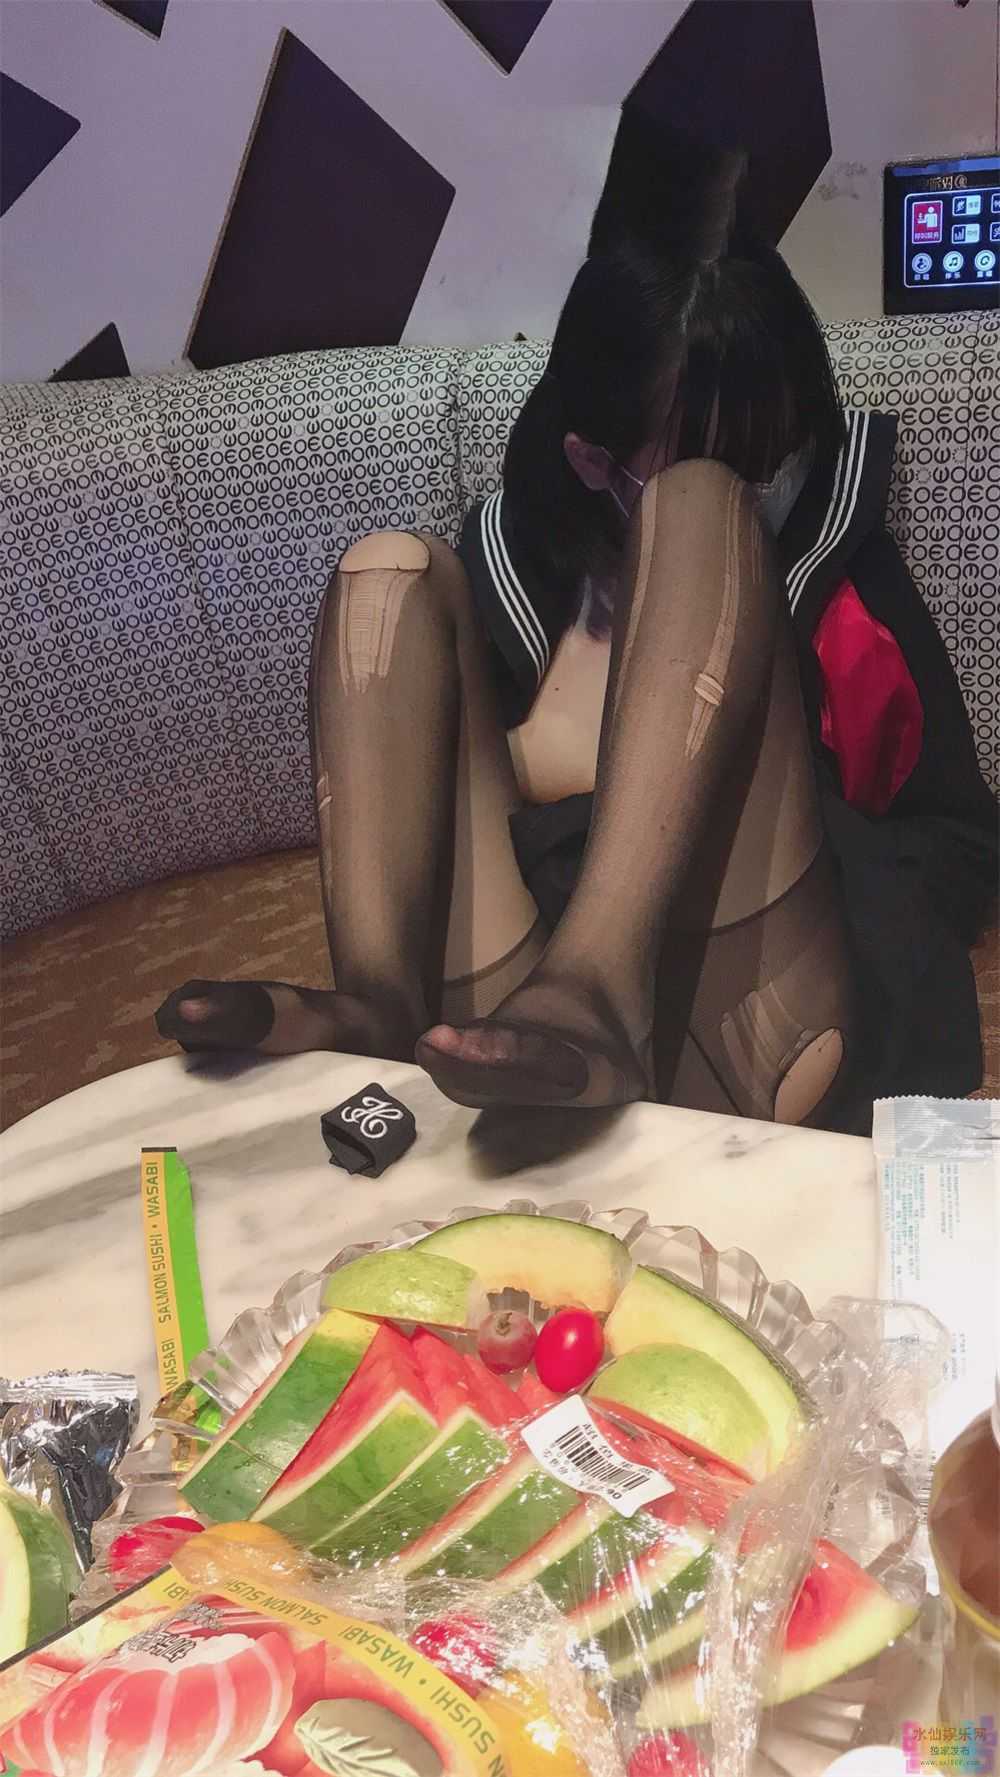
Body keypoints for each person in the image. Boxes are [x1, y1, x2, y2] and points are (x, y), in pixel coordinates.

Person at [155, 120, 997, 1131]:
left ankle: (598, 987)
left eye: (777, 448)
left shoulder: (831, 566)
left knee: (697, 512)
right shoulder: (514, 576)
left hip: (752, 1021)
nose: (767, 480)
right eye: (719, 451)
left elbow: (959, 839)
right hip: (521, 1041)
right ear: (592, 460)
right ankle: (373, 1006)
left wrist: (788, 808)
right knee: (389, 573)